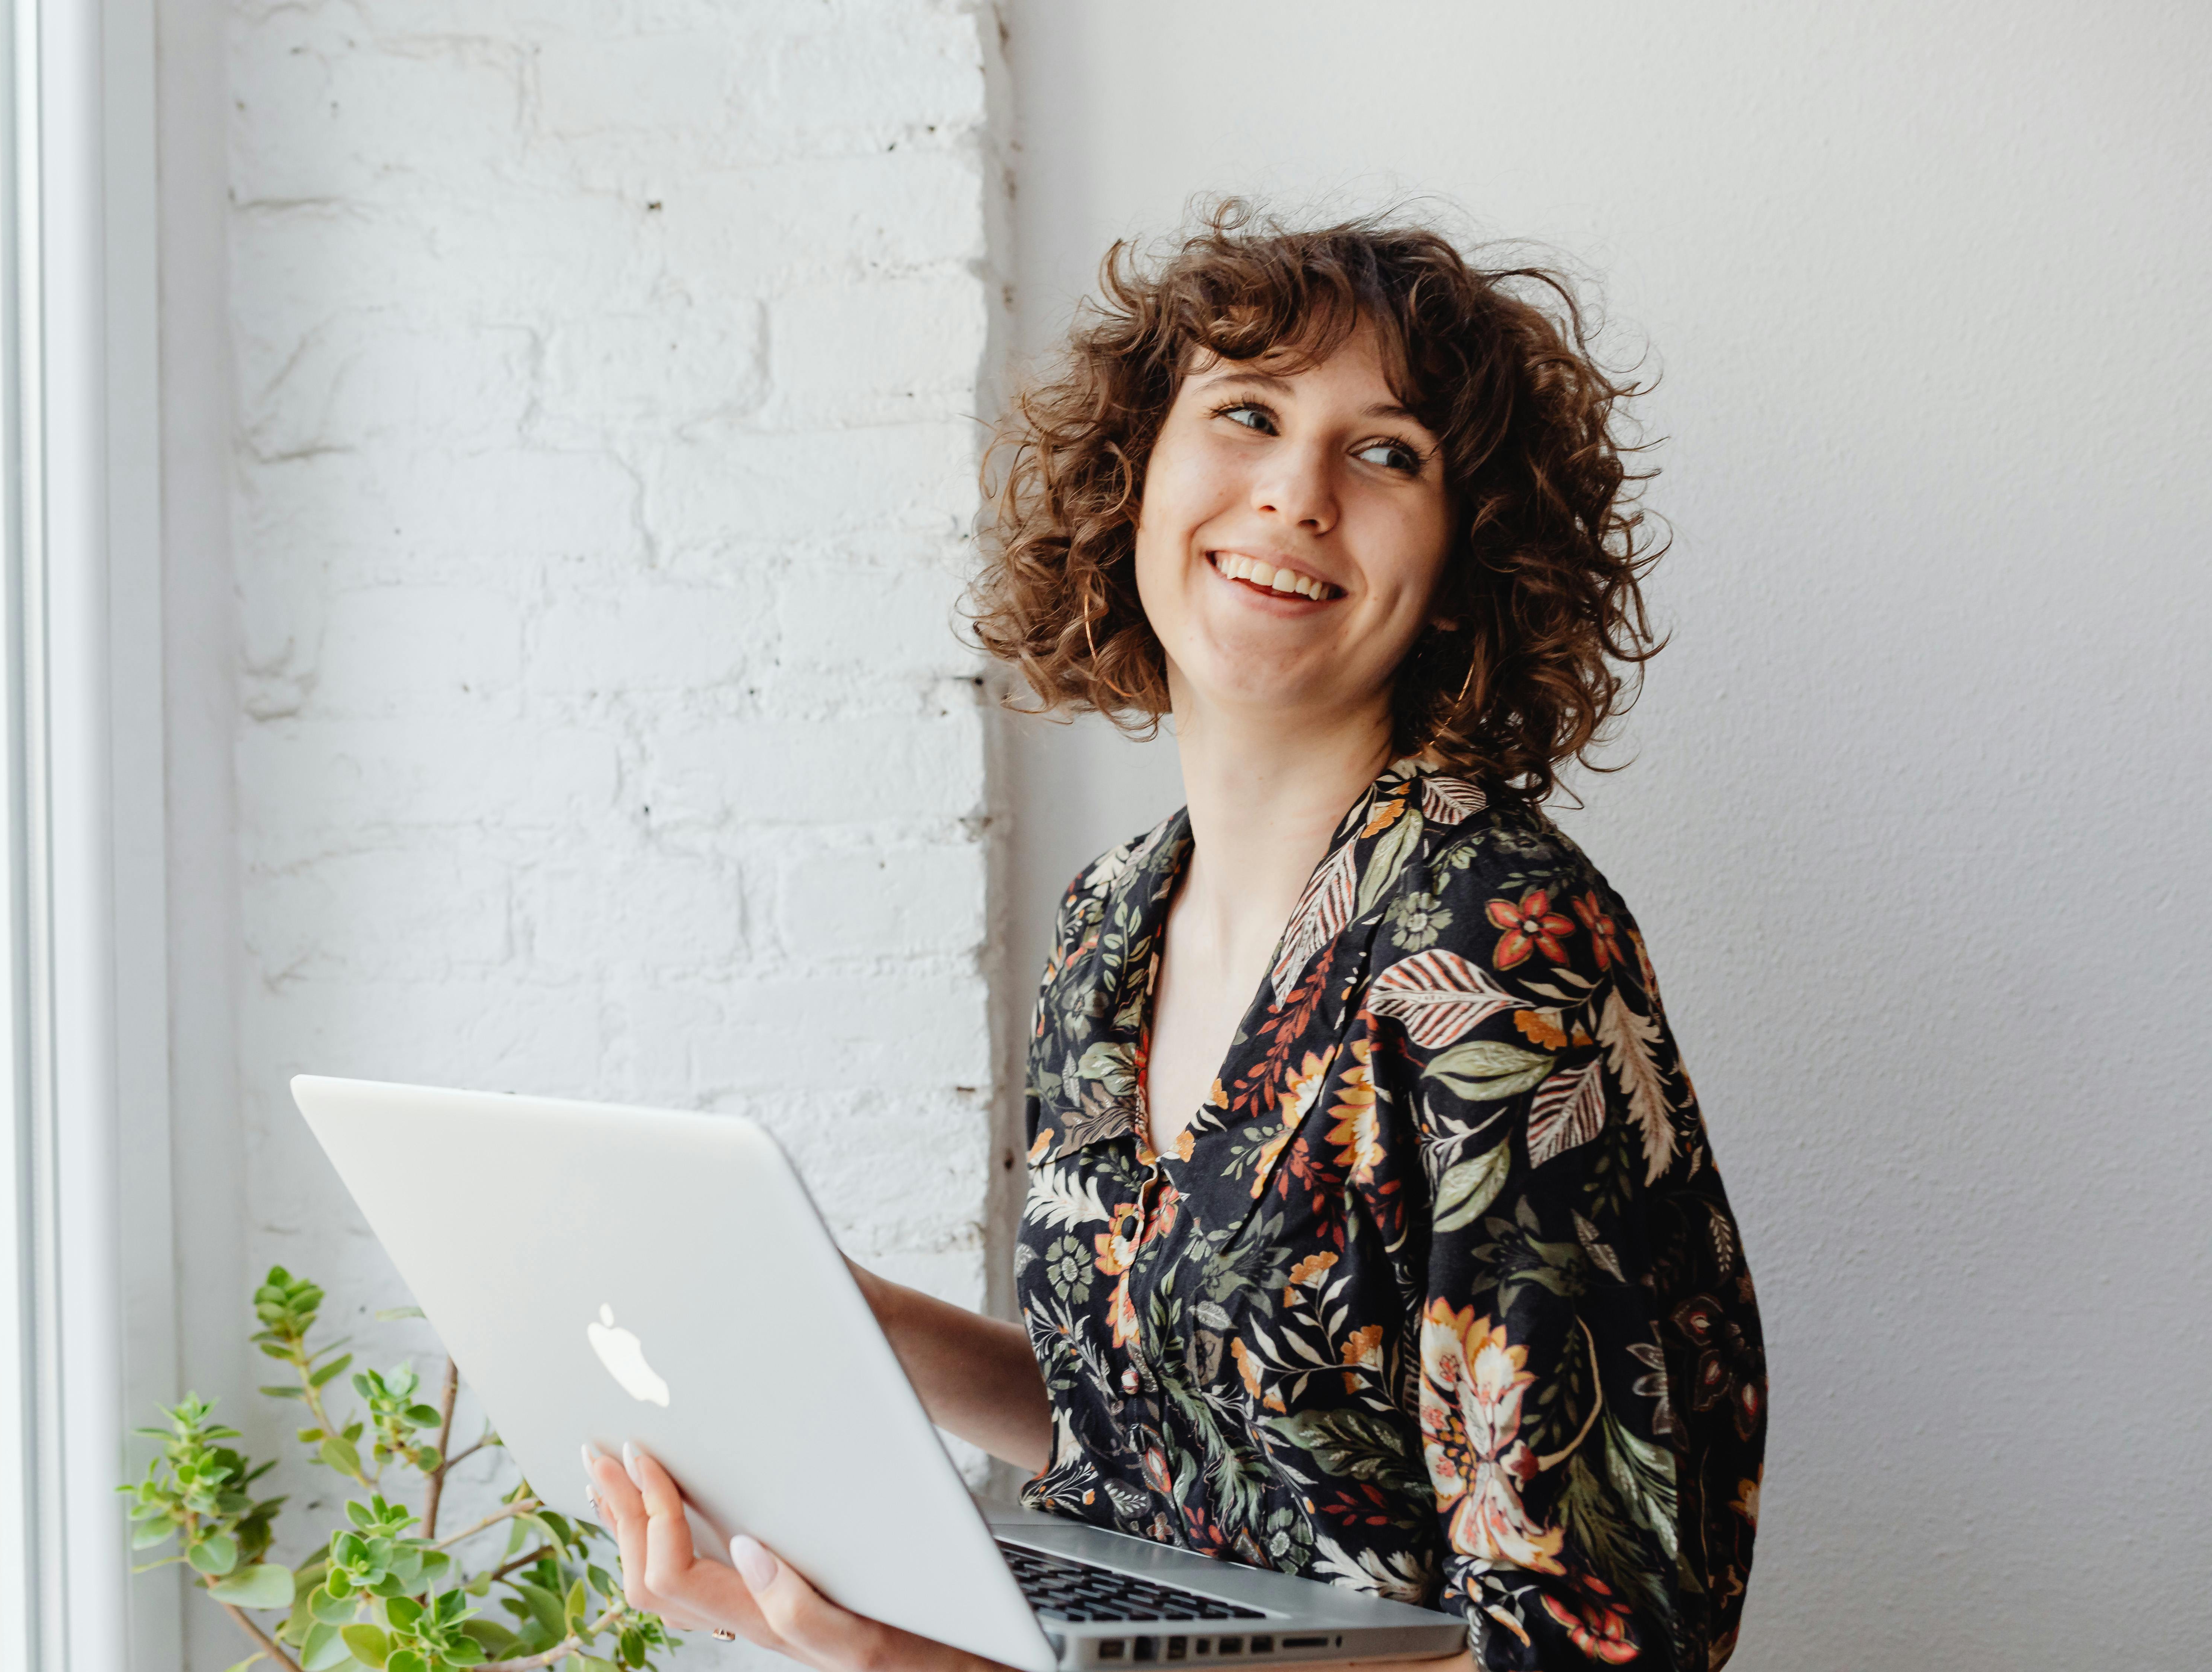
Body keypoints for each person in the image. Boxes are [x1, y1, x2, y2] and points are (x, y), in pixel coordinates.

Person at [585, 205, 1767, 1672]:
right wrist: (854, 1322)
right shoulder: (1108, 924)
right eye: (1248, 414)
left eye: (1387, 452)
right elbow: (1167, 1422)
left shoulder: (1490, 945)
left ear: (1469, 558)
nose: (1295, 494)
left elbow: (1597, 1644)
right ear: (1133, 472)